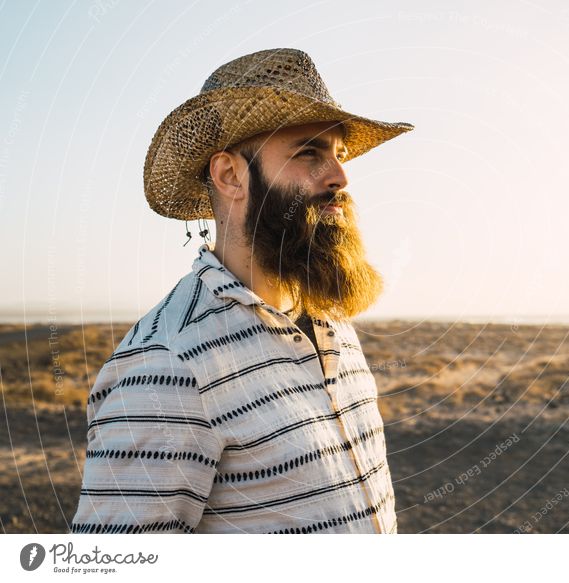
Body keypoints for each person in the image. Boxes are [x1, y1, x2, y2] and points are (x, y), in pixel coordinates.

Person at [70, 48, 414, 534]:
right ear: (230, 175)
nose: (340, 175)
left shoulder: (332, 324)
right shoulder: (167, 363)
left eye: (337, 153)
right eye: (308, 152)